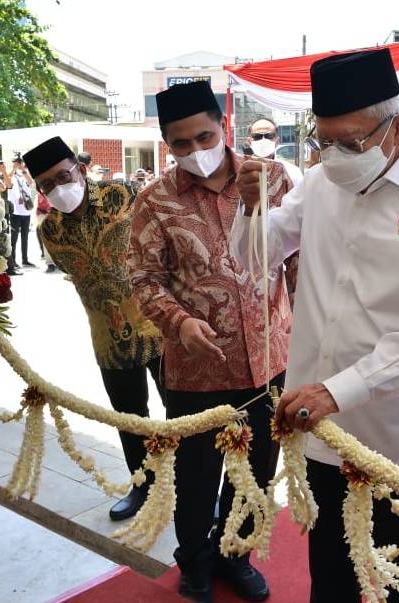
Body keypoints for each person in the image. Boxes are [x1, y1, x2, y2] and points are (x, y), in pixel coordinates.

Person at [234, 48, 399, 603]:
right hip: (321, 431)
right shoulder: (320, 184)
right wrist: (249, 209)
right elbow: (257, 256)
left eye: (352, 141)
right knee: (333, 573)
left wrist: (336, 390)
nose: (336, 156)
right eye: (324, 141)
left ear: (397, 127)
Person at [128, 80, 294, 603]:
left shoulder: (271, 180)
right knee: (196, 481)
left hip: (269, 362)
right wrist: (177, 322)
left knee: (256, 475)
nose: (196, 151)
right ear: (167, 145)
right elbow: (143, 278)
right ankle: (195, 562)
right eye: (182, 144)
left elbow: (298, 256)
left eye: (204, 136)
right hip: (195, 370)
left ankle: (236, 556)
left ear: (223, 128)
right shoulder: (155, 201)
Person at [22, 137, 164, 520]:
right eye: (46, 185)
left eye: (62, 176)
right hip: (108, 338)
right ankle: (142, 487)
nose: (57, 188)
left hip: (161, 327)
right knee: (128, 417)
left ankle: (199, 488)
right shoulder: (49, 231)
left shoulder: (126, 194)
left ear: (80, 169)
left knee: (184, 412)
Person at [247, 117, 303, 186]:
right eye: (257, 136)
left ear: (277, 141)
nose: (263, 140)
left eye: (269, 136)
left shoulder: (292, 172)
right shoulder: (240, 173)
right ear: (249, 142)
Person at [6, 157, 36, 275]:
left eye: (18, 163)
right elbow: (6, 180)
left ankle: (25, 259)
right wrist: (13, 169)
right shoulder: (11, 176)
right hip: (15, 211)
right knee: (14, 237)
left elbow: (30, 182)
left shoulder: (24, 175)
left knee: (25, 236)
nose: (17, 165)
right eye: (15, 164)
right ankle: (13, 261)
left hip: (26, 211)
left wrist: (23, 170)